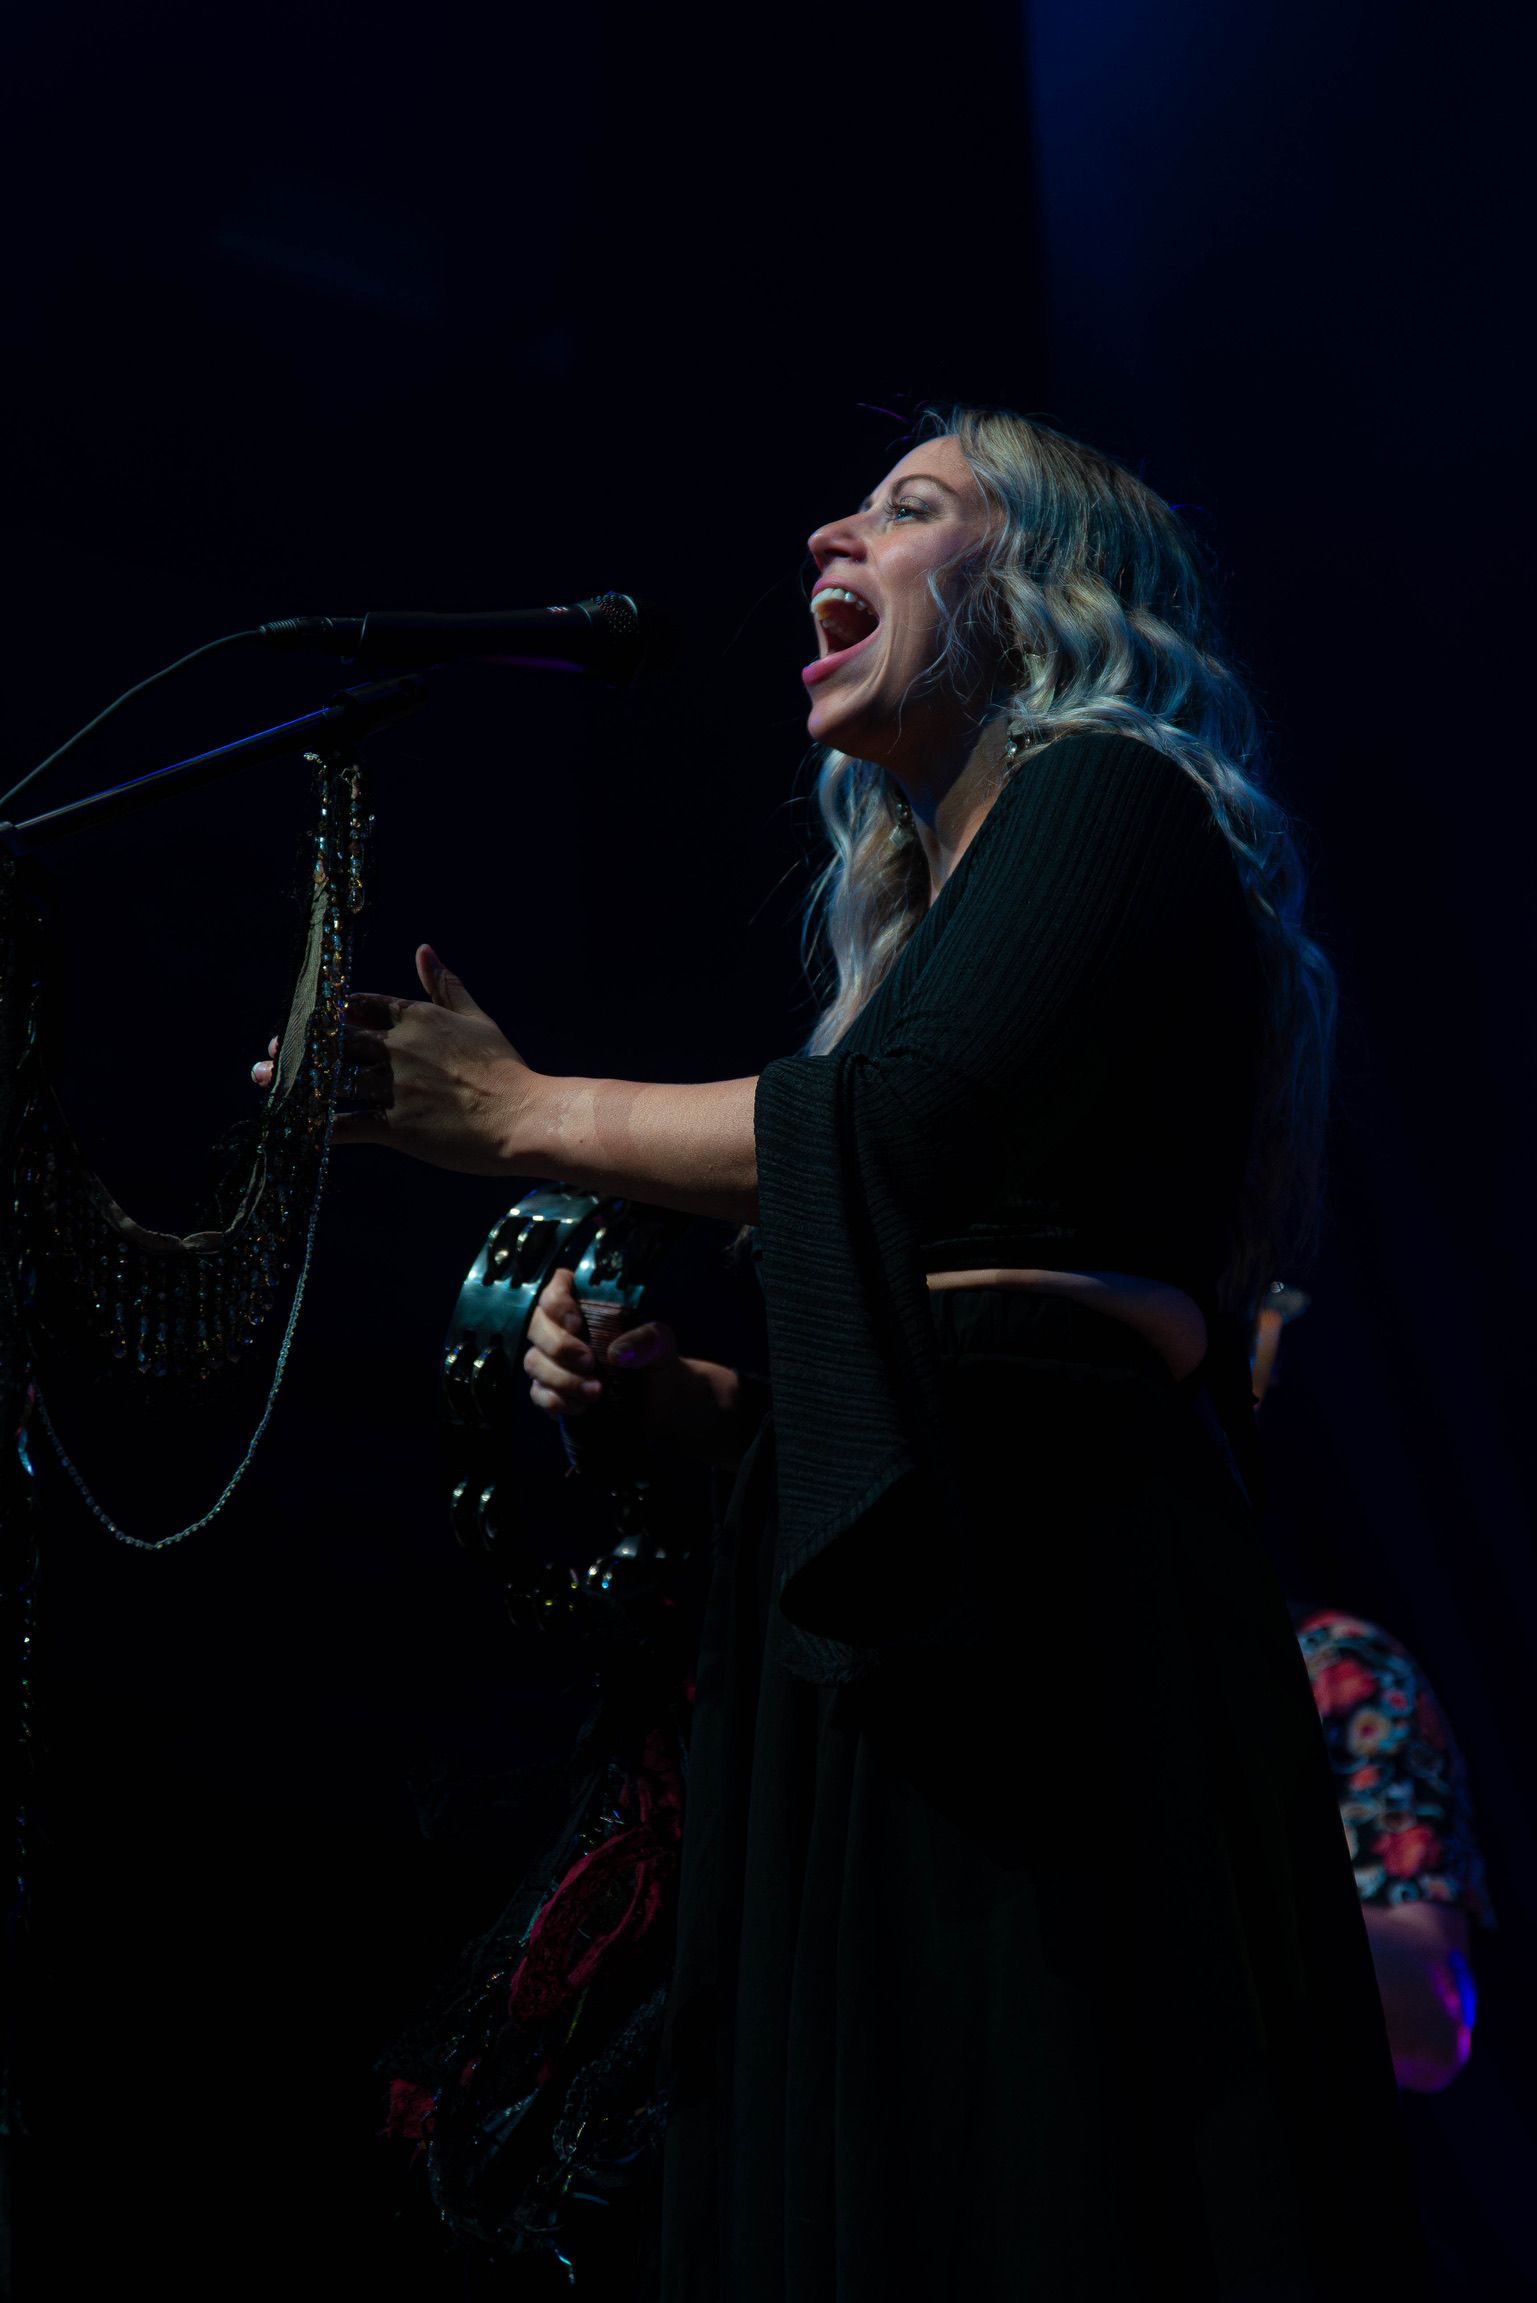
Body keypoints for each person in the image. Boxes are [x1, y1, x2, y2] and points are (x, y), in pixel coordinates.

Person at [259, 408, 1430, 2295]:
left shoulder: (1108, 799)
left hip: (1052, 1616)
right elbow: (923, 1313)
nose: (835, 521)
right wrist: (700, 1409)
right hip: (919, 1624)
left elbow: (899, 1130)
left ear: (1048, 595)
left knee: (1032, 2161)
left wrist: (528, 1114)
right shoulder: (941, 908)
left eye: (915, 504)